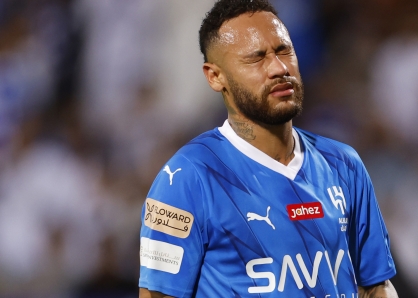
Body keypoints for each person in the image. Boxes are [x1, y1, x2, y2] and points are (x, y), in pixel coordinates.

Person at [138, 0, 398, 297]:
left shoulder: (344, 164)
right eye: (256, 58)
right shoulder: (185, 178)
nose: (279, 67)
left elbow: (376, 286)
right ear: (215, 76)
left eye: (284, 50)